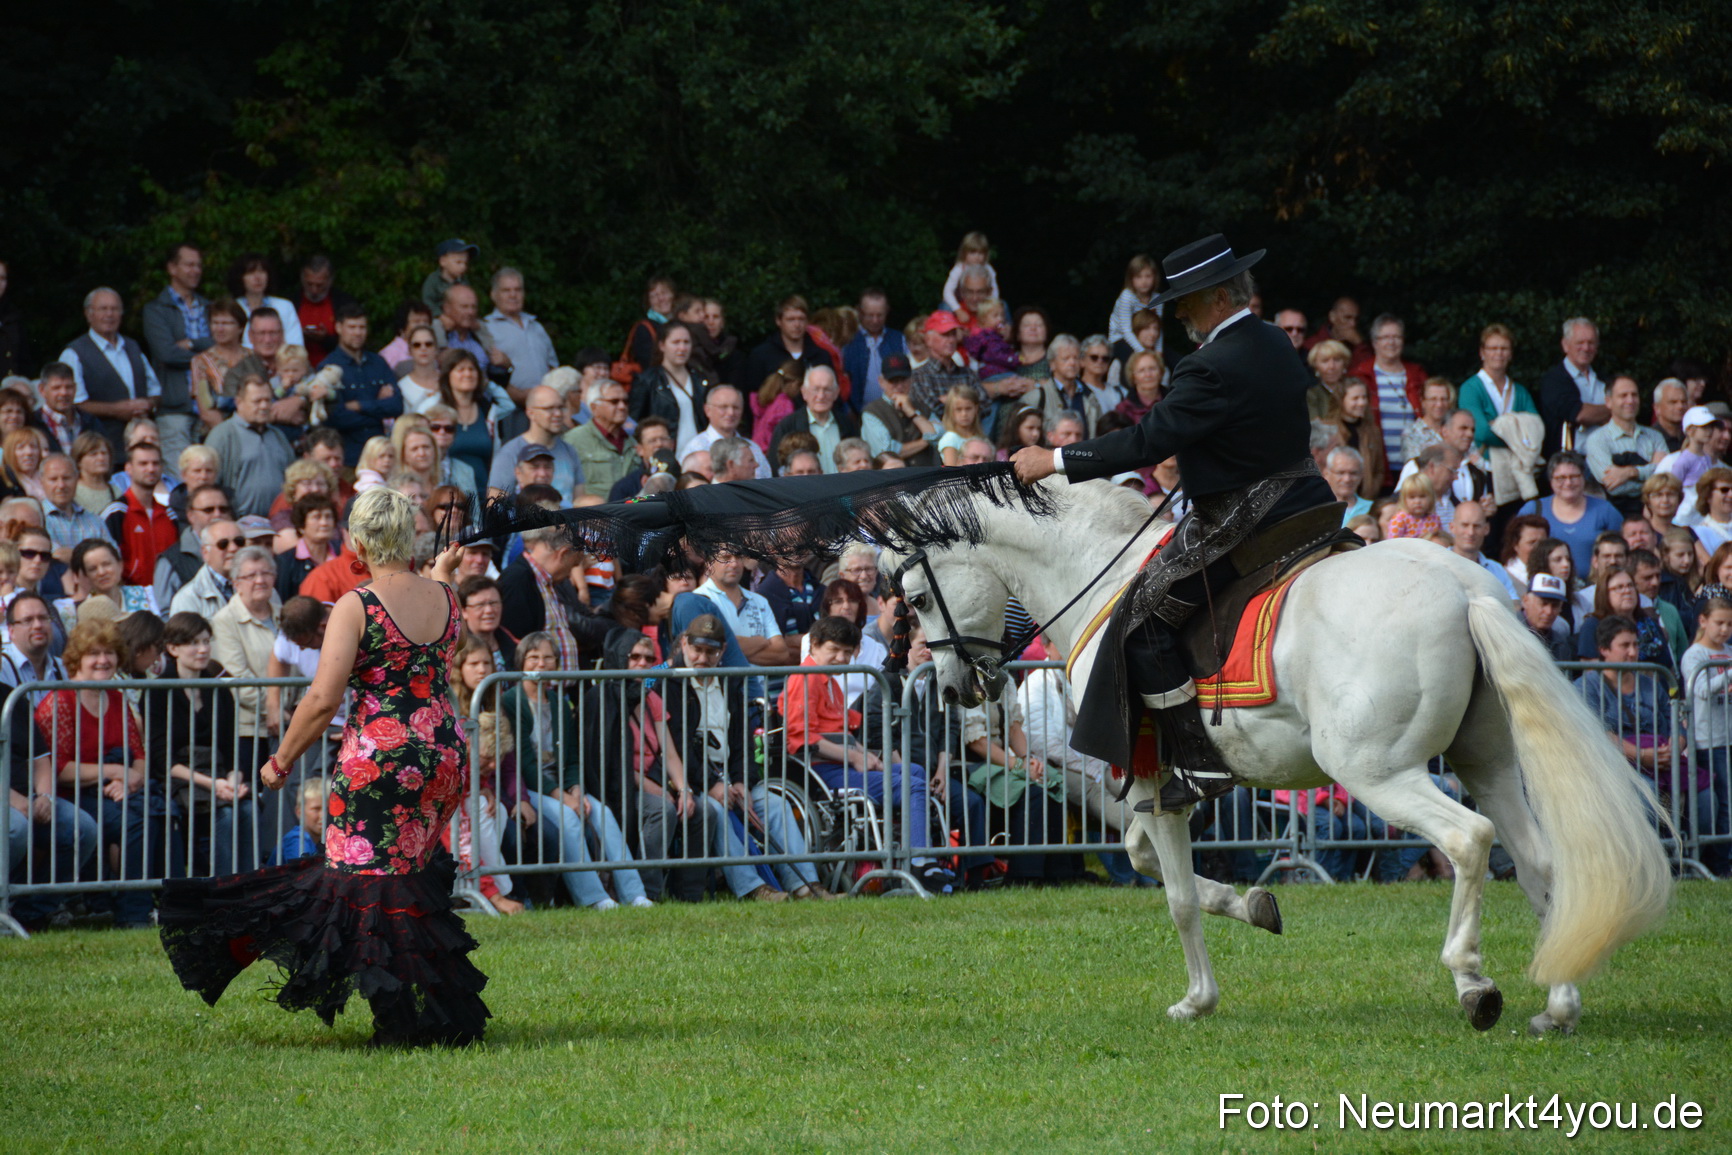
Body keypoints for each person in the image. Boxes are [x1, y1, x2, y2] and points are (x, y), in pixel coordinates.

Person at [1012, 234, 1336, 809]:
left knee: (1138, 617)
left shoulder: (1208, 365)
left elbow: (1147, 440)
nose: (1178, 313)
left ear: (1214, 298)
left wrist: (1053, 459)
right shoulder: (1275, 341)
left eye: (1184, 300)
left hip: (1245, 518)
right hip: (1310, 503)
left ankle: (1197, 760)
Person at [159, 487, 488, 1047]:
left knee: (366, 884)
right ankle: (439, 1012)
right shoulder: (448, 597)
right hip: (442, 753)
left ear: (357, 541)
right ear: (408, 537)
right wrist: (444, 571)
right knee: (405, 881)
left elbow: (320, 700)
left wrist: (280, 762)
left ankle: (400, 1018)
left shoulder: (357, 606)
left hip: (381, 758)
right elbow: (434, 610)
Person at [657, 616, 831, 901]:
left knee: (776, 805)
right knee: (715, 810)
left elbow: (743, 744)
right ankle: (753, 888)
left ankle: (806, 886)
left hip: (730, 774)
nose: (702, 658)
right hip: (689, 781)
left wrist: (742, 782)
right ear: (684, 645)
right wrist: (713, 784)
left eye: (710, 652)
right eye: (697, 650)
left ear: (722, 651)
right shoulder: (670, 685)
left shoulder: (730, 682)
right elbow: (678, 746)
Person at [781, 615, 953, 891]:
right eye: (834, 650)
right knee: (911, 783)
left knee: (914, 771)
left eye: (847, 653)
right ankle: (920, 859)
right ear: (813, 645)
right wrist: (854, 757)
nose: (840, 658)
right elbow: (802, 737)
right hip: (824, 773)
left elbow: (844, 731)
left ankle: (918, 851)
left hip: (843, 765)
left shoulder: (829, 681)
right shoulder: (806, 679)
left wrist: (867, 755)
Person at [34, 619, 180, 928]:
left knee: (162, 810)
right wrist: (117, 771)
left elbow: (138, 753)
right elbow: (58, 769)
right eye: (94, 653)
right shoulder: (59, 701)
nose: (103, 660)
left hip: (117, 791)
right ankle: (133, 912)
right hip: (71, 795)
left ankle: (170, 903)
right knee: (134, 820)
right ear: (78, 659)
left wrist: (131, 779)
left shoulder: (116, 697)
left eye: (110, 653)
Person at [500, 630, 655, 909]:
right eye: (534, 658)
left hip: (561, 785)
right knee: (569, 820)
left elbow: (571, 757)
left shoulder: (559, 702)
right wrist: (563, 796)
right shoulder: (511, 701)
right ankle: (594, 897)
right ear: (521, 662)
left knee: (603, 813)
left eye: (548, 658)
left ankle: (635, 893)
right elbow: (525, 763)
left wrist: (577, 788)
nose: (541, 664)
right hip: (530, 788)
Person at [143, 611, 252, 875]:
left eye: (206, 641)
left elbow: (231, 748)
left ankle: (250, 889)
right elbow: (162, 759)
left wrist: (232, 781)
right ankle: (224, 894)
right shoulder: (157, 692)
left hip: (219, 776)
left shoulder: (219, 691)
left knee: (247, 811)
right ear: (173, 648)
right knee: (225, 816)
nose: (203, 649)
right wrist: (213, 785)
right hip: (180, 780)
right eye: (193, 643)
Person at [62, 288, 162, 459]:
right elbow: (74, 403)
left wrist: (147, 404)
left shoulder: (133, 347)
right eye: (103, 309)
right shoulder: (74, 353)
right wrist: (117, 410)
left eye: (115, 309)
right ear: (89, 314)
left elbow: (155, 392)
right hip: (99, 448)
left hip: (140, 451)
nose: (110, 314)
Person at [138, 243, 209, 463]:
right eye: (189, 265)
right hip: (174, 408)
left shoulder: (209, 307)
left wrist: (190, 344)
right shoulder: (155, 310)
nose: (195, 270)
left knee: (209, 474)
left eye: (198, 265)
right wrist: (207, 357)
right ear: (172, 268)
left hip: (210, 408)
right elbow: (166, 353)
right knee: (179, 478)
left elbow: (222, 342)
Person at [1680, 596, 1732, 876]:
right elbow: (1699, 689)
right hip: (1708, 741)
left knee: (1730, 802)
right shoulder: (1695, 655)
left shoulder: (1729, 651)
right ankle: (1720, 864)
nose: (1725, 629)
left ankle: (1726, 858)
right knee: (1723, 802)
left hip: (1729, 736)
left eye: (1730, 624)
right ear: (1703, 621)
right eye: (1719, 623)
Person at [322, 303, 403, 465]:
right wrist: (378, 407)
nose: (358, 333)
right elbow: (336, 418)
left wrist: (360, 405)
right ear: (338, 328)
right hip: (347, 459)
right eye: (352, 327)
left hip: (381, 458)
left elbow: (397, 406)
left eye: (362, 327)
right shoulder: (328, 367)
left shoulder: (378, 362)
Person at [1519, 451, 1624, 575]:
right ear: (1551, 480)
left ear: (1583, 478)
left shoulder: (1604, 510)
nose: (1568, 483)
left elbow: (1623, 549)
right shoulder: (1534, 509)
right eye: (1561, 478)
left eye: (1574, 477)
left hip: (1594, 588)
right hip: (1548, 587)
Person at [1581, 375, 1667, 518]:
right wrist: (1651, 474)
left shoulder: (1655, 436)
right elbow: (1614, 488)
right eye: (1623, 395)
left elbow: (1666, 477)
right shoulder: (1597, 440)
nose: (1630, 400)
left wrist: (1631, 472)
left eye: (1634, 395)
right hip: (1614, 517)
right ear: (1608, 402)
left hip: (1654, 517)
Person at [1352, 313, 1425, 467]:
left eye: (1397, 337)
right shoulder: (1361, 375)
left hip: (1414, 463)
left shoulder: (1417, 375)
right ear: (1374, 342)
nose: (1391, 342)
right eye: (1385, 337)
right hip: (1375, 465)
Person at [488, 385, 583, 503]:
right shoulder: (510, 452)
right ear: (530, 413)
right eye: (549, 408)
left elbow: (580, 503)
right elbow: (494, 507)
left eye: (561, 407)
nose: (558, 413)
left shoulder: (570, 451)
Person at [1536, 317, 1613, 458]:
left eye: (1591, 343)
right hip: (1570, 466)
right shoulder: (1554, 380)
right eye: (1580, 342)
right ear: (1565, 345)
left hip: (1606, 459)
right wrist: (1612, 410)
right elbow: (1580, 414)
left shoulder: (1606, 380)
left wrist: (1599, 414)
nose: (1586, 348)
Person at [1458, 324, 1537, 454]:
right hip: (1483, 468)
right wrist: (1518, 433)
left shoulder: (1521, 392)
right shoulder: (1470, 389)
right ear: (1482, 353)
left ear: (1510, 354)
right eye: (1493, 348)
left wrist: (1495, 426)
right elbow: (1481, 432)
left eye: (1504, 348)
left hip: (1518, 469)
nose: (1499, 353)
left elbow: (1535, 429)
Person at [770, 365, 860, 473]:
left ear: (836, 393)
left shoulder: (847, 424)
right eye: (815, 389)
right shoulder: (787, 427)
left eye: (827, 389)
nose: (821, 396)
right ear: (804, 392)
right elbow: (776, 469)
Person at [842, 289, 907, 412]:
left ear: (887, 311)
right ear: (859, 312)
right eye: (870, 315)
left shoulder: (899, 339)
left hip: (895, 411)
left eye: (880, 315)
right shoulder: (848, 339)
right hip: (856, 413)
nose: (875, 320)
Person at [190, 298, 251, 429]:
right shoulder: (200, 361)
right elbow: (206, 410)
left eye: (226, 323)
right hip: (220, 432)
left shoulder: (253, 357)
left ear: (240, 327)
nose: (220, 328)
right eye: (215, 323)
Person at [227, 253, 305, 349]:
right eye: (251, 273)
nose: (257, 277)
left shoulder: (285, 306)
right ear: (240, 278)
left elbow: (296, 346)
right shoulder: (232, 309)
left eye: (262, 271)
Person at [269, 779, 326, 866]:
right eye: (316, 809)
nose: (323, 815)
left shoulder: (314, 840)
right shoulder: (297, 840)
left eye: (328, 808)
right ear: (299, 812)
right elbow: (304, 877)